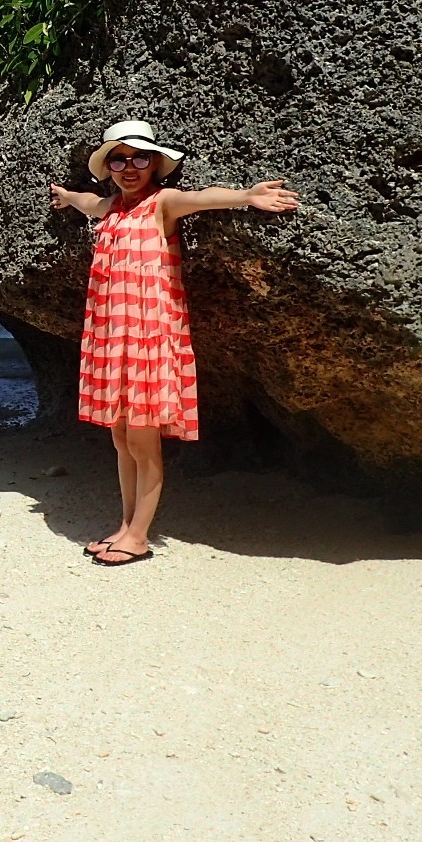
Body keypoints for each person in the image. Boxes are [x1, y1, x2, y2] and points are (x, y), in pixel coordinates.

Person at [48, 119, 299, 566]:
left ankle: (140, 536)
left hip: (149, 337)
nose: (129, 167)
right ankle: (125, 526)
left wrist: (247, 196)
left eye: (140, 158)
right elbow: (89, 202)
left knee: (144, 441)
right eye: (119, 160)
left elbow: (201, 199)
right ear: (108, 166)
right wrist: (68, 198)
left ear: (155, 165)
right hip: (111, 336)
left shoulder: (161, 203)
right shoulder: (112, 208)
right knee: (121, 438)